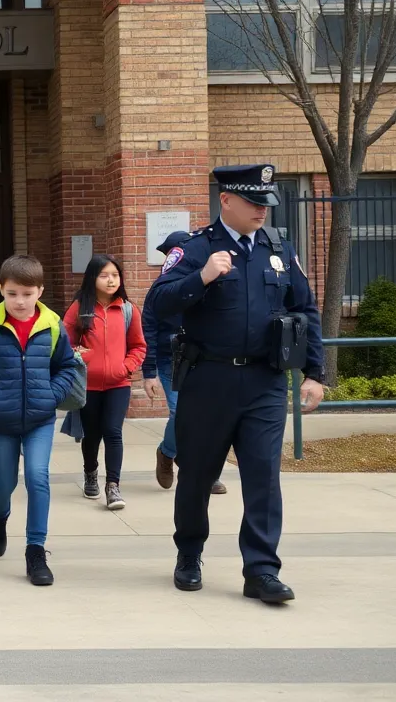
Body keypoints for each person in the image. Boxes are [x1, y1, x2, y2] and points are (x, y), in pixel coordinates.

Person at [148, 164, 324, 604]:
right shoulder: (195, 248)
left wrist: (316, 373)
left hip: (265, 381)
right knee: (197, 475)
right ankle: (189, 554)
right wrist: (202, 276)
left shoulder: (279, 249)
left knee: (263, 478)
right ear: (225, 200)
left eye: (266, 203)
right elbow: (158, 302)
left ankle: (262, 570)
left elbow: (307, 310)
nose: (262, 211)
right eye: (253, 202)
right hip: (209, 379)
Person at [0, 255, 81, 586]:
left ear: (39, 291)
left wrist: (52, 396)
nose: (20, 301)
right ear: (1, 290)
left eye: (27, 293)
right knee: (4, 485)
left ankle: (35, 550)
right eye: (12, 293)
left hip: (40, 419)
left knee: (38, 478)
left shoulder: (53, 325)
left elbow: (66, 366)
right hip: (1, 421)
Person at [144, 231, 226, 496]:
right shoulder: (161, 292)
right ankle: (168, 453)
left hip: (205, 360)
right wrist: (149, 372)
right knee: (180, 413)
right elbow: (148, 331)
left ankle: (205, 471)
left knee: (210, 418)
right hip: (171, 361)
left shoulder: (208, 285)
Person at [63, 254, 146, 510]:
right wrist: (79, 354)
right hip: (87, 385)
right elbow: (63, 343)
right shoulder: (80, 307)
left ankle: (113, 486)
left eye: (115, 275)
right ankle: (90, 473)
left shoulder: (128, 309)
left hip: (118, 384)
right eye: (104, 275)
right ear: (92, 278)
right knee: (92, 434)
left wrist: (126, 367)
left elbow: (138, 346)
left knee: (113, 432)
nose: (111, 280)